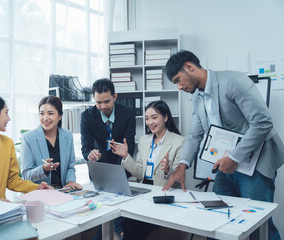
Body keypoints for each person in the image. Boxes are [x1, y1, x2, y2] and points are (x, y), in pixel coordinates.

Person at [163, 50, 284, 240]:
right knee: (216, 220)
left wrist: (235, 158)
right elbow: (195, 134)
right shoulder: (197, 97)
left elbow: (262, 122)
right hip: (226, 164)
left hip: (256, 162)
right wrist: (182, 166)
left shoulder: (234, 81)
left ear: (189, 67)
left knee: (258, 227)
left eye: (178, 80)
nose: (179, 87)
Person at [111, 100, 186, 240]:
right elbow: (139, 172)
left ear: (165, 117)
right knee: (126, 218)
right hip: (143, 191)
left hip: (162, 192)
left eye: (154, 117)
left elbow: (177, 176)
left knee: (133, 224)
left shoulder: (179, 141)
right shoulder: (144, 140)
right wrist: (126, 156)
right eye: (146, 118)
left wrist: (167, 170)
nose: (150, 122)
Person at [81, 78, 136, 240]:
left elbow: (130, 145)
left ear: (115, 97)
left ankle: (116, 233)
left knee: (116, 212)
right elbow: (86, 147)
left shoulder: (128, 113)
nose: (103, 106)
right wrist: (90, 154)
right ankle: (117, 234)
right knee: (106, 212)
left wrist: (124, 153)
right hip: (100, 171)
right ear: (93, 99)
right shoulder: (87, 116)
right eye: (98, 102)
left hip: (122, 169)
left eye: (107, 101)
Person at [21, 96, 82, 190]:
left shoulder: (68, 135)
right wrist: (43, 169)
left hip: (63, 191)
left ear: (60, 115)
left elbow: (70, 166)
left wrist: (71, 181)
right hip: (39, 194)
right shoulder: (28, 138)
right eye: (41, 113)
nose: (45, 118)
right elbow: (26, 176)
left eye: (50, 113)